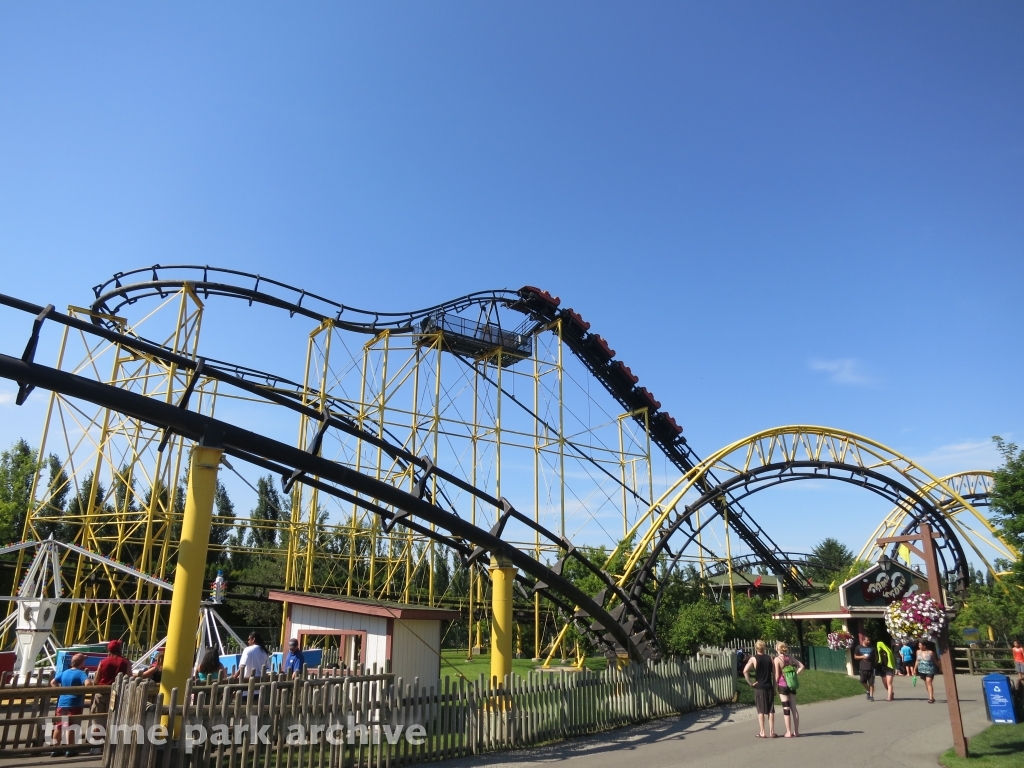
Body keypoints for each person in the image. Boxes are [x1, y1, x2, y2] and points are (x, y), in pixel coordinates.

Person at [50, 653, 92, 754]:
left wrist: (60, 691)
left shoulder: (65, 672)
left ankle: (55, 748)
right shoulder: (81, 673)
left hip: (62, 702)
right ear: (81, 663)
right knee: (71, 725)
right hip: (74, 702)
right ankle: (70, 748)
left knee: (59, 725)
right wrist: (82, 691)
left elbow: (53, 682)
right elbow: (88, 684)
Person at [742, 640, 777, 738]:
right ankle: (772, 731)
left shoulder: (754, 658)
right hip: (769, 686)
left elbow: (745, 671)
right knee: (771, 709)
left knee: (760, 710)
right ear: (764, 648)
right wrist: (774, 688)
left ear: (756, 648)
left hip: (759, 686)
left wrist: (751, 683)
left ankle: (762, 732)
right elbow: (774, 675)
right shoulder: (770, 658)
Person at [91, 640, 132, 716]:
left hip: (101, 692)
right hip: (116, 694)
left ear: (109, 650)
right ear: (120, 649)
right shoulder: (126, 662)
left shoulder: (103, 662)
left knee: (97, 719)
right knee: (113, 718)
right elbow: (129, 678)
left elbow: (96, 680)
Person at [773, 641, 804, 738]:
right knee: (794, 708)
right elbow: (801, 666)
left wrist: (775, 686)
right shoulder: (790, 657)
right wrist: (796, 674)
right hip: (792, 685)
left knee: (786, 708)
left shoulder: (777, 660)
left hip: (783, 685)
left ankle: (788, 732)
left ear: (777, 649)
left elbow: (777, 674)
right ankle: (797, 731)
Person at [854, 634, 876, 701]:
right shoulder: (858, 647)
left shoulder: (872, 648)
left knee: (871, 683)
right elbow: (855, 656)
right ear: (864, 640)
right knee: (862, 681)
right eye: (867, 640)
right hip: (863, 667)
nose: (869, 641)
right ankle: (868, 691)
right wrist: (863, 657)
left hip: (871, 668)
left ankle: (871, 696)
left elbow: (875, 656)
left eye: (869, 640)